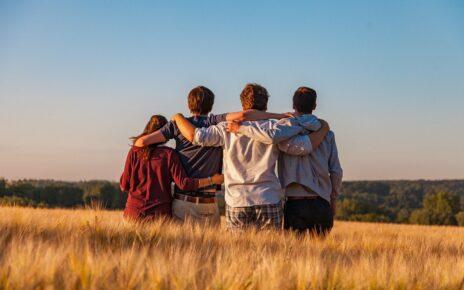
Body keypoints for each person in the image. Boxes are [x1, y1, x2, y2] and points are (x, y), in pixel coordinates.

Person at [171, 83, 329, 231]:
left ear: (243, 104)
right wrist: (323, 128)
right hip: (268, 197)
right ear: (265, 104)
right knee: (271, 255)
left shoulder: (226, 128)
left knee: (238, 255)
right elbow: (302, 146)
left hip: (237, 200)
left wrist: (178, 117)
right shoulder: (276, 127)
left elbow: (196, 136)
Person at [134, 86, 286, 225]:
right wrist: (280, 116)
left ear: (189, 104)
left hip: (183, 201)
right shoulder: (215, 121)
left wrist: (174, 124)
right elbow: (244, 115)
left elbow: (141, 142)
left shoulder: (176, 125)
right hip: (210, 202)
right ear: (211, 105)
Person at [227, 87, 343, 236]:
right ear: (314, 106)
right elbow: (336, 171)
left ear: (293, 106)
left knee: (294, 256)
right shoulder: (327, 134)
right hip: (322, 202)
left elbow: (273, 137)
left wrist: (240, 128)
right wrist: (332, 200)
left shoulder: (283, 131)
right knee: (320, 256)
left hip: (295, 204)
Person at [120, 115, 224, 223]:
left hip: (133, 213)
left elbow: (124, 185)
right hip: (159, 216)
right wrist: (212, 180)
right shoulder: (169, 154)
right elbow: (183, 184)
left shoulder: (134, 151)